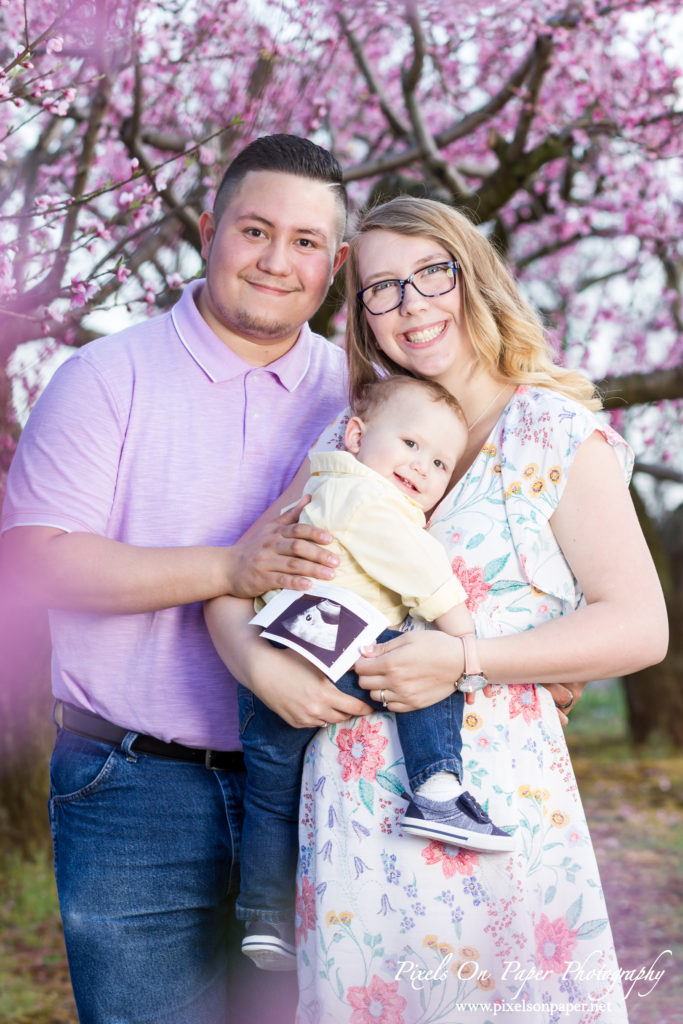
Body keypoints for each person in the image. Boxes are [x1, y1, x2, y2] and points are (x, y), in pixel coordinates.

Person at [205, 196, 668, 1023]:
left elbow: (639, 625)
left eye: (430, 273)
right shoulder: (355, 440)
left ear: (472, 277)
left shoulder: (553, 434)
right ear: (365, 318)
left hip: (492, 806)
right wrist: (259, 668)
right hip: (348, 807)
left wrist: (465, 659)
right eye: (381, 289)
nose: (410, 304)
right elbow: (234, 581)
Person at [0, 134, 373, 1024]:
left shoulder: (361, 394)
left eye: (306, 242)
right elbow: (34, 560)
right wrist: (227, 568)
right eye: (253, 230)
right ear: (208, 231)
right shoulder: (104, 378)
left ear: (338, 263)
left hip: (321, 782)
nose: (276, 261)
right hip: (134, 787)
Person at [228, 375, 513, 973]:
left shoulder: (324, 487)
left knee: (271, 803)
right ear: (356, 435)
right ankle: (437, 787)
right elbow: (422, 571)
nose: (421, 467)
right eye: (410, 443)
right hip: (329, 647)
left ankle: (264, 917)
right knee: (420, 660)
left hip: (270, 664)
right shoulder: (366, 496)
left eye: (439, 461)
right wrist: (463, 637)